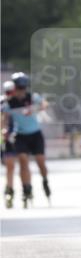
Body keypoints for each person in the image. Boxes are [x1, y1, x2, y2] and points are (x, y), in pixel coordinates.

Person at [6, 73, 50, 206]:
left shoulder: (32, 97)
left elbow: (45, 104)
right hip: (20, 135)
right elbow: (4, 117)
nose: (22, 91)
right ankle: (26, 187)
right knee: (23, 161)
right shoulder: (10, 102)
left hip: (35, 134)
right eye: (19, 88)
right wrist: (4, 130)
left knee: (40, 161)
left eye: (24, 88)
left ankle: (45, 179)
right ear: (15, 87)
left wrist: (35, 109)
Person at [2, 80, 16, 208]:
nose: (9, 94)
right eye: (8, 92)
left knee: (10, 166)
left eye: (11, 92)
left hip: (9, 139)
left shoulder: (18, 104)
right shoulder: (2, 103)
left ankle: (9, 190)